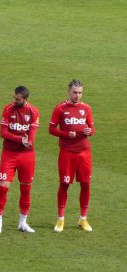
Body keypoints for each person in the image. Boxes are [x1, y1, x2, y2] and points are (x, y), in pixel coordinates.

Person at [49, 80, 95, 232]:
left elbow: (92, 128)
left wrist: (89, 131)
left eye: (80, 92)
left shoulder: (86, 108)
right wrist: (66, 134)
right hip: (67, 152)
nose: (78, 95)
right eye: (75, 92)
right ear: (68, 92)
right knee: (64, 184)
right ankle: (60, 219)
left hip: (84, 152)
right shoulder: (60, 108)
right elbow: (51, 129)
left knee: (86, 184)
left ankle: (83, 219)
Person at [0, 86, 40, 234]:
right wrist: (20, 139)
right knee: (3, 187)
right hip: (9, 154)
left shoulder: (33, 112)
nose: (14, 101)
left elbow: (31, 135)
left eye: (18, 99)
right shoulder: (8, 109)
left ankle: (23, 223)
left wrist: (27, 141)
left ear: (25, 99)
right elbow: (3, 132)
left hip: (27, 156)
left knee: (26, 188)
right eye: (14, 98)